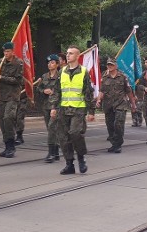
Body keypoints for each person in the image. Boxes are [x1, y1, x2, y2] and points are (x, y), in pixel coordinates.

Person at [50, 45, 95, 174]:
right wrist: (53, 107)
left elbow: (88, 93)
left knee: (75, 133)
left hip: (78, 109)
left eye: (71, 53)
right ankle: (69, 164)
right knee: (63, 137)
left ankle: (81, 158)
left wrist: (91, 111)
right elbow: (57, 91)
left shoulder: (83, 72)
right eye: (67, 53)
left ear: (77, 56)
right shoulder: (62, 71)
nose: (68, 55)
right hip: (63, 109)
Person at [97, 57, 136, 153]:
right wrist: (98, 100)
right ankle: (114, 144)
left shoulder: (123, 77)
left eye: (112, 65)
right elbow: (101, 91)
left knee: (118, 124)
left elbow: (128, 91)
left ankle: (118, 144)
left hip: (120, 104)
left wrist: (133, 104)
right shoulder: (105, 77)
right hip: (108, 105)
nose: (110, 66)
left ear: (116, 66)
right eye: (108, 65)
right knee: (110, 125)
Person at [0, 42, 24, 158]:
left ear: (12, 51)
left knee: (8, 118)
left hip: (12, 96)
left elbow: (18, 80)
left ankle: (11, 146)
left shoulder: (18, 63)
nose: (6, 54)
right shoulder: (0, 62)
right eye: (4, 52)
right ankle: (7, 145)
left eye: (8, 51)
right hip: (1, 96)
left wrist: (2, 78)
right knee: (2, 122)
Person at [36, 54, 61, 163]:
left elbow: (62, 90)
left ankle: (51, 152)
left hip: (56, 106)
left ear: (57, 64)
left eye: (52, 62)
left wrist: (53, 92)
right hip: (46, 105)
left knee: (52, 127)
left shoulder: (61, 76)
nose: (49, 64)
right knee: (50, 128)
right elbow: (39, 87)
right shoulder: (45, 76)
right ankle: (55, 151)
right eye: (48, 63)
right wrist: (43, 91)